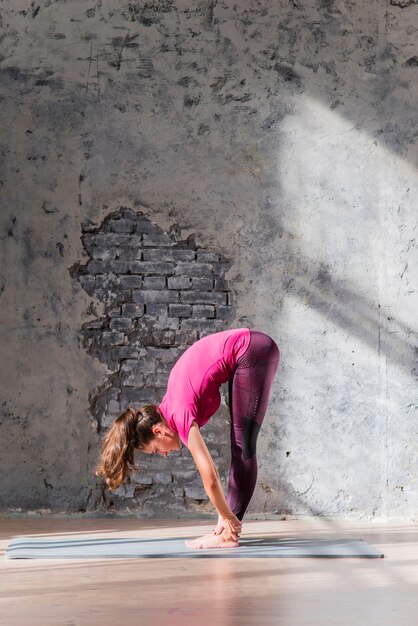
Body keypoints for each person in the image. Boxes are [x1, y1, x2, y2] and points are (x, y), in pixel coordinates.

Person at [96, 327, 280, 549]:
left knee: (243, 446)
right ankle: (224, 530)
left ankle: (228, 534)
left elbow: (210, 477)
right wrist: (225, 514)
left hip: (252, 350)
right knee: (240, 444)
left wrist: (228, 516)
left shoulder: (179, 413)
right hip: (246, 351)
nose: (164, 454)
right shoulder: (171, 404)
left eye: (155, 450)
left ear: (158, 431)